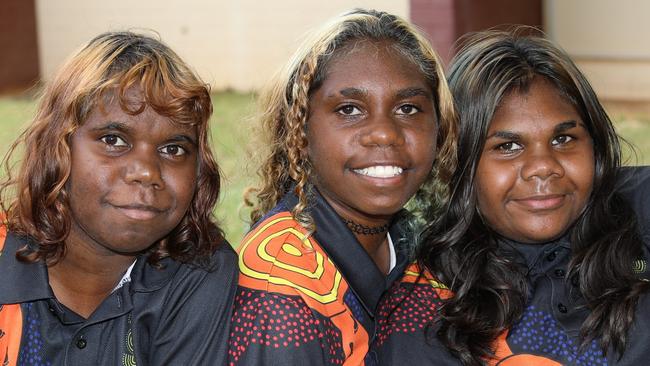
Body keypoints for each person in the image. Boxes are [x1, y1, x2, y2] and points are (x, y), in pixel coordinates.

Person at [371, 29, 650, 365]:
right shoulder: (427, 314)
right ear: (458, 164)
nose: (543, 167)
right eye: (508, 147)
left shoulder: (636, 213)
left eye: (563, 139)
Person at [227, 9, 456, 365]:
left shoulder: (412, 242)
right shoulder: (280, 296)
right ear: (300, 132)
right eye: (349, 109)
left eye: (409, 109)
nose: (384, 133)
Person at [0, 31, 238, 365]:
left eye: (173, 149)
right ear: (56, 148)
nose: (146, 172)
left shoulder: (197, 274)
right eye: (113, 140)